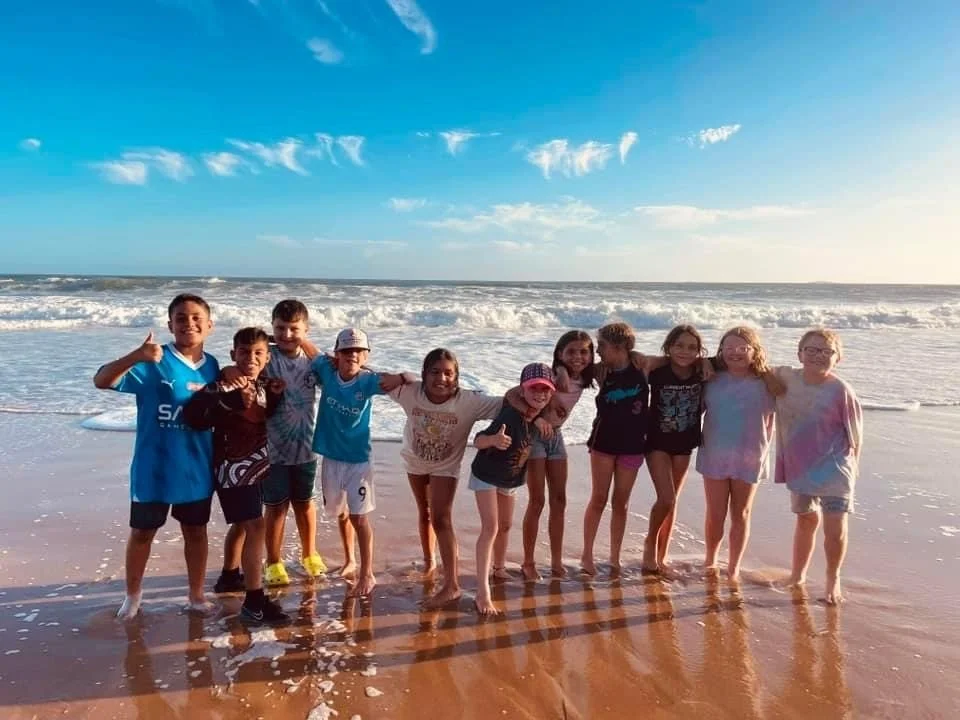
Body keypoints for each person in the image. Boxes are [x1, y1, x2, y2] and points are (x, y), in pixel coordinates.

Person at [93, 293, 219, 619]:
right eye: (180, 318)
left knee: (196, 531)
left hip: (196, 469)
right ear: (170, 325)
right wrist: (137, 354)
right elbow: (102, 380)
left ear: (209, 325)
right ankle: (132, 596)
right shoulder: (153, 361)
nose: (188, 323)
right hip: (154, 468)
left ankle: (195, 595)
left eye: (195, 318)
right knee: (142, 533)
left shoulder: (215, 368)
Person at [183, 327, 291, 625]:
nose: (250, 358)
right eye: (244, 352)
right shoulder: (222, 384)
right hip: (232, 468)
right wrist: (229, 399)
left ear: (267, 357)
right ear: (233, 355)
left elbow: (263, 413)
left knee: (245, 527)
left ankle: (230, 576)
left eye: (258, 353)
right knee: (256, 527)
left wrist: (276, 395)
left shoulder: (264, 385)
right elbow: (192, 416)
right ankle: (254, 603)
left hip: (255, 465)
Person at [387, 348, 507, 608]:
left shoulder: (469, 402)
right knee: (424, 513)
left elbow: (507, 403)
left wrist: (546, 396)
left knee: (441, 518)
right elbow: (369, 377)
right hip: (414, 460)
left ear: (457, 377)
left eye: (448, 373)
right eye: (435, 372)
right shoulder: (410, 392)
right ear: (423, 374)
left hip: (446, 466)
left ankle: (451, 585)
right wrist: (398, 376)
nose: (442, 378)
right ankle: (430, 561)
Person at [312, 327, 406, 597]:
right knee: (341, 513)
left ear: (365, 355)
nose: (351, 355)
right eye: (346, 350)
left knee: (360, 518)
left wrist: (398, 376)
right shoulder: (327, 371)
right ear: (336, 354)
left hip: (358, 461)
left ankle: (367, 572)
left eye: (357, 351)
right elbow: (309, 351)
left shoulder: (368, 381)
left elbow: (406, 380)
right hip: (330, 457)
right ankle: (349, 559)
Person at [774, 329, 862, 604]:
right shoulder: (785, 378)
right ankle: (797, 574)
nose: (817, 355)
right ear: (799, 353)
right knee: (805, 520)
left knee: (834, 528)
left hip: (835, 469)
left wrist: (853, 470)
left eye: (827, 351)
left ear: (838, 358)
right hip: (801, 467)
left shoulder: (841, 390)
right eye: (811, 349)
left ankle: (832, 578)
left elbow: (856, 435)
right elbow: (749, 364)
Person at [469, 363, 556, 615]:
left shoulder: (538, 417)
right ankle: (482, 591)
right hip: (486, 473)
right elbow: (478, 440)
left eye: (545, 390)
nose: (540, 394)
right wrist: (494, 440)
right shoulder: (510, 415)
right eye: (534, 389)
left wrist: (539, 419)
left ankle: (498, 568)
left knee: (506, 525)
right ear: (522, 389)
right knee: (491, 528)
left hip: (511, 477)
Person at [696, 326, 776, 581]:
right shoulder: (710, 378)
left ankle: (733, 567)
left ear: (755, 351)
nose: (735, 353)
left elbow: (798, 398)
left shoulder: (767, 382)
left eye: (742, 348)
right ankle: (711, 560)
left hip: (750, 455)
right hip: (715, 454)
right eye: (728, 348)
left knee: (741, 513)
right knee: (715, 513)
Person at [260, 299, 327, 587]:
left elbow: (338, 377)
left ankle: (309, 554)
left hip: (306, 447)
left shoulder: (314, 361)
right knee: (275, 507)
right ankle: (273, 561)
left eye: (294, 329)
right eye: (280, 328)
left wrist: (312, 348)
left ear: (306, 330)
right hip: (271, 449)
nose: (286, 335)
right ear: (271, 327)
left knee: (305, 503)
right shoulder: (265, 357)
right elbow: (240, 363)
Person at [581, 322, 649, 577]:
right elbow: (567, 368)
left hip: (633, 444)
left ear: (620, 347)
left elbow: (674, 362)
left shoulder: (643, 368)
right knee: (599, 499)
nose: (597, 351)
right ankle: (587, 555)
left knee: (621, 502)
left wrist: (638, 356)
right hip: (604, 443)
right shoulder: (601, 372)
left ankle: (614, 557)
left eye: (602, 346)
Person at [642, 325, 707, 573]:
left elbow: (735, 360)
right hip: (657, 441)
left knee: (672, 502)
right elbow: (633, 365)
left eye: (692, 347)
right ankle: (650, 544)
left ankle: (663, 553)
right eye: (679, 345)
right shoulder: (657, 371)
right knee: (666, 498)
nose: (685, 351)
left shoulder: (702, 371)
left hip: (685, 442)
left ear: (699, 352)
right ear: (668, 347)